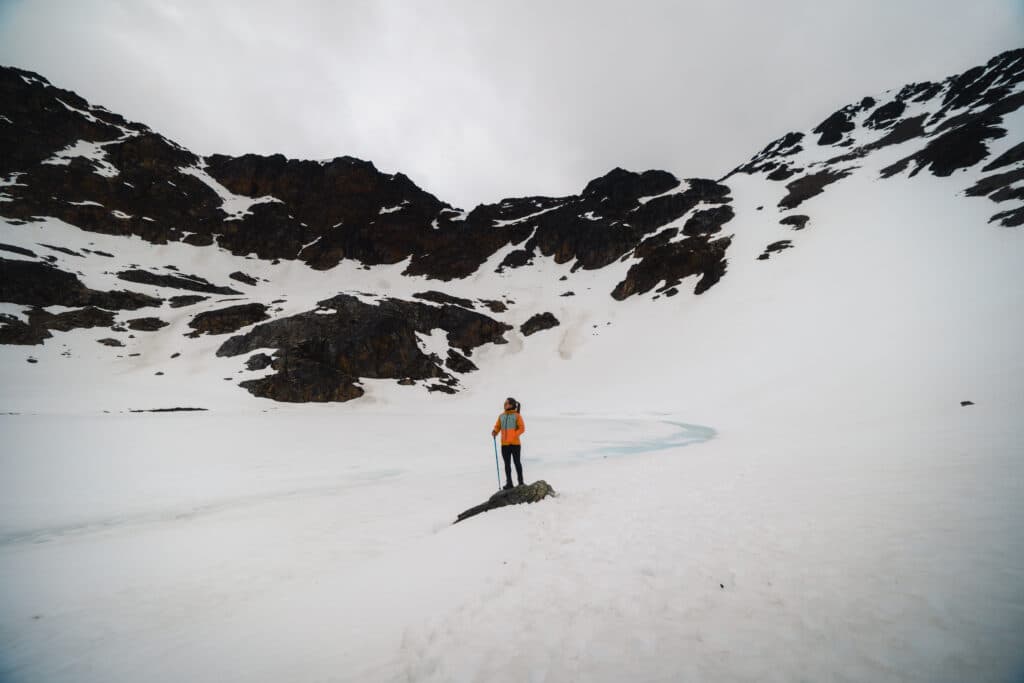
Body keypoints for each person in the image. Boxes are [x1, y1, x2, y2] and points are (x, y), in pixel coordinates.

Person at [492, 397, 525, 489]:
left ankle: (521, 482)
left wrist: (514, 434)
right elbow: (497, 426)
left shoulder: (517, 416)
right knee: (507, 464)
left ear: (511, 405)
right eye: (505, 403)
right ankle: (509, 483)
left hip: (515, 444)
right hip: (505, 445)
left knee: (517, 463)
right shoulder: (501, 416)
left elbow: (522, 428)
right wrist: (495, 431)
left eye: (506, 403)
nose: (505, 405)